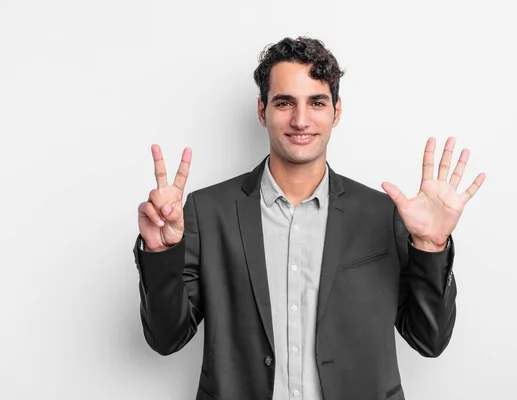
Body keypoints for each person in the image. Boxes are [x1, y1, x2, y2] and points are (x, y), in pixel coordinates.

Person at [133, 36, 485, 400]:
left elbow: (430, 340)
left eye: (316, 102)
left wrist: (430, 247)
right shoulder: (207, 211)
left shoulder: (384, 215)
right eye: (284, 103)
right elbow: (165, 338)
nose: (301, 120)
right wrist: (160, 253)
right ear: (262, 110)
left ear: (337, 111)